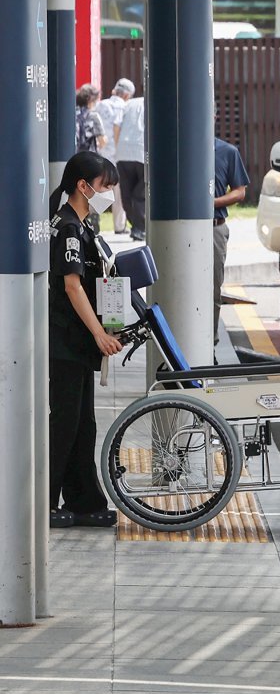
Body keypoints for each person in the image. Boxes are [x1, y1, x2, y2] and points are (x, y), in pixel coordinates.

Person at [48, 151, 124, 528]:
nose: (109, 193)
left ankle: (82, 501)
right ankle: (46, 503)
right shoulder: (67, 228)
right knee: (65, 422)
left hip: (76, 343)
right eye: (104, 186)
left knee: (82, 423)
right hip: (65, 341)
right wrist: (99, 333)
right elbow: (72, 286)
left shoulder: (83, 224)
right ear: (83, 186)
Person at [213, 137, 249, 339]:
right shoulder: (180, 147)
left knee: (213, 288)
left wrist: (210, 203)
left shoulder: (227, 151)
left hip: (214, 227)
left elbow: (239, 192)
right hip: (181, 228)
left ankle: (211, 341)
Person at [96, 78, 135, 234]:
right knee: (118, 193)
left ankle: (93, 221)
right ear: (126, 95)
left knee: (98, 188)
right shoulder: (125, 107)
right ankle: (119, 226)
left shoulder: (101, 105)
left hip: (100, 154)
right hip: (118, 155)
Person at [114, 96, 147, 241]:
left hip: (123, 152)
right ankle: (139, 228)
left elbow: (116, 126)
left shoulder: (127, 104)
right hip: (142, 152)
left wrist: (117, 146)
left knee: (126, 193)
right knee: (140, 194)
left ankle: (137, 226)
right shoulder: (153, 103)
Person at [74, 84, 105, 155]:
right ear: (91, 101)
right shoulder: (93, 116)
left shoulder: (73, 114)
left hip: (74, 155)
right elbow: (102, 141)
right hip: (89, 155)